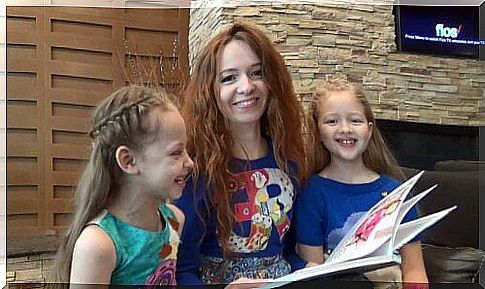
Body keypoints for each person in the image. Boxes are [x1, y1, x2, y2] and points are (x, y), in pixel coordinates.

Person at [174, 22, 309, 286]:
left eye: (257, 73)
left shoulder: (289, 160)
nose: (246, 87)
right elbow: (180, 271)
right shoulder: (195, 170)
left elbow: (288, 251)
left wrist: (310, 268)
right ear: (210, 92)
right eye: (229, 77)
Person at [53, 85, 194, 286]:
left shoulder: (174, 221)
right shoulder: (99, 245)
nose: (190, 162)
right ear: (128, 161)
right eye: (176, 153)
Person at [295, 79, 428, 288]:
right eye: (332, 121)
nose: (345, 128)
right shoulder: (312, 194)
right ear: (318, 132)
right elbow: (313, 273)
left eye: (355, 120)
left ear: (369, 129)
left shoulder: (396, 192)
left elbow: (415, 270)